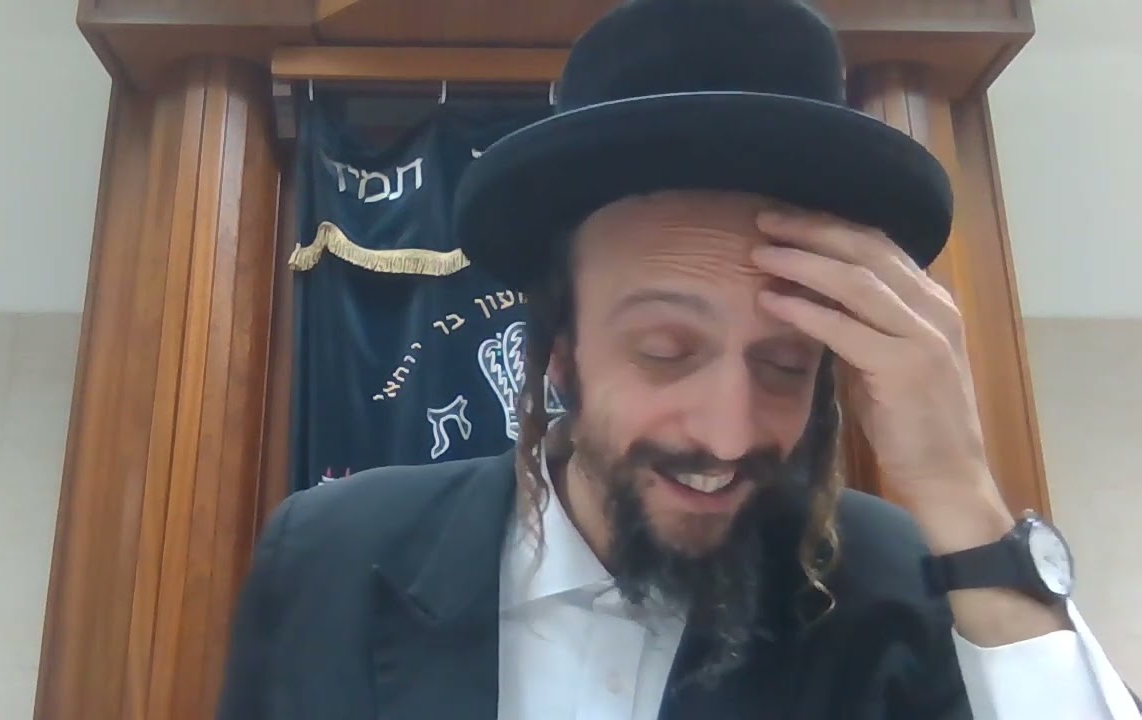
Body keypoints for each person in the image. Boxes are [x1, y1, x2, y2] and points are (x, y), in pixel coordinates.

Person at [217, 0, 1142, 718]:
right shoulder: (333, 555)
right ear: (560, 353)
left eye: (786, 364)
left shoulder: (897, 585)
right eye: (665, 351)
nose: (729, 435)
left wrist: (962, 496)